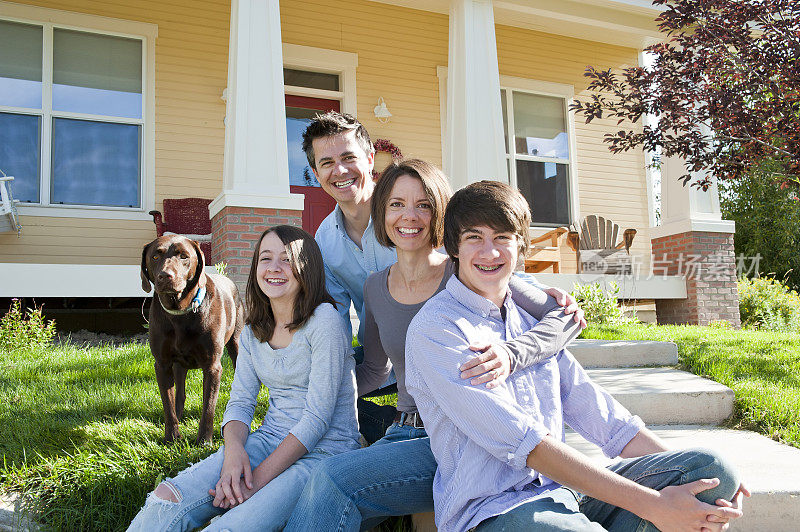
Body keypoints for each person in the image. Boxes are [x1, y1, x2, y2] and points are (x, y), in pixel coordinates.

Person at [405, 181, 749, 532]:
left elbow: (603, 416)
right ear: (455, 248)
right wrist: (655, 505)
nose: (490, 252)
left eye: (503, 237)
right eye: (474, 238)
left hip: (567, 493)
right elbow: (528, 445)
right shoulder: (438, 329)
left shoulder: (531, 320)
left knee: (712, 474)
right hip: (494, 509)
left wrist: (687, 485)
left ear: (520, 245)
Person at [284, 160, 582, 531]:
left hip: (460, 437)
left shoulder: (466, 270)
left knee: (333, 479)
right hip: (403, 432)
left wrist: (512, 354)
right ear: (382, 213)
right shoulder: (374, 287)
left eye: (423, 204)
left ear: (440, 211)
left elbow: (566, 318)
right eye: (396, 204)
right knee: (325, 488)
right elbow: (376, 369)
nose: (409, 216)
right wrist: (312, 397)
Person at [303, 111, 585, 441]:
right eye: (327, 162)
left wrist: (529, 294)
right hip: (390, 356)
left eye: (348, 157)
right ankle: (387, 427)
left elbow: (485, 261)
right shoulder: (325, 242)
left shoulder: (426, 227)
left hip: (458, 369)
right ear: (315, 172)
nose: (340, 170)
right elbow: (335, 324)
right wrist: (313, 378)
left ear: (369, 159)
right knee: (336, 382)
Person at [127, 225, 360, 532]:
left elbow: (317, 419)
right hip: (268, 438)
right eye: (266, 258)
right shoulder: (253, 331)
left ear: (308, 268)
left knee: (230, 525)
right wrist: (233, 455)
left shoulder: (325, 321)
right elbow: (240, 403)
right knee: (166, 497)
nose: (274, 268)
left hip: (324, 453)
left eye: (287, 259)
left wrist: (254, 482)